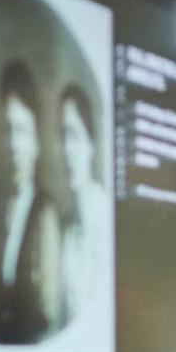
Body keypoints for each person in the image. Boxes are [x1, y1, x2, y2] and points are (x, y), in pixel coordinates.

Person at [0, 59, 61, 345]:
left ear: (37, 142)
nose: (14, 145)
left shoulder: (45, 212)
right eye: (7, 131)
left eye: (22, 132)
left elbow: (47, 311)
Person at [58, 82, 108, 328]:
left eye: (74, 136)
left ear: (91, 144)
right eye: (62, 136)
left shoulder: (105, 218)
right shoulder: (66, 224)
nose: (67, 150)